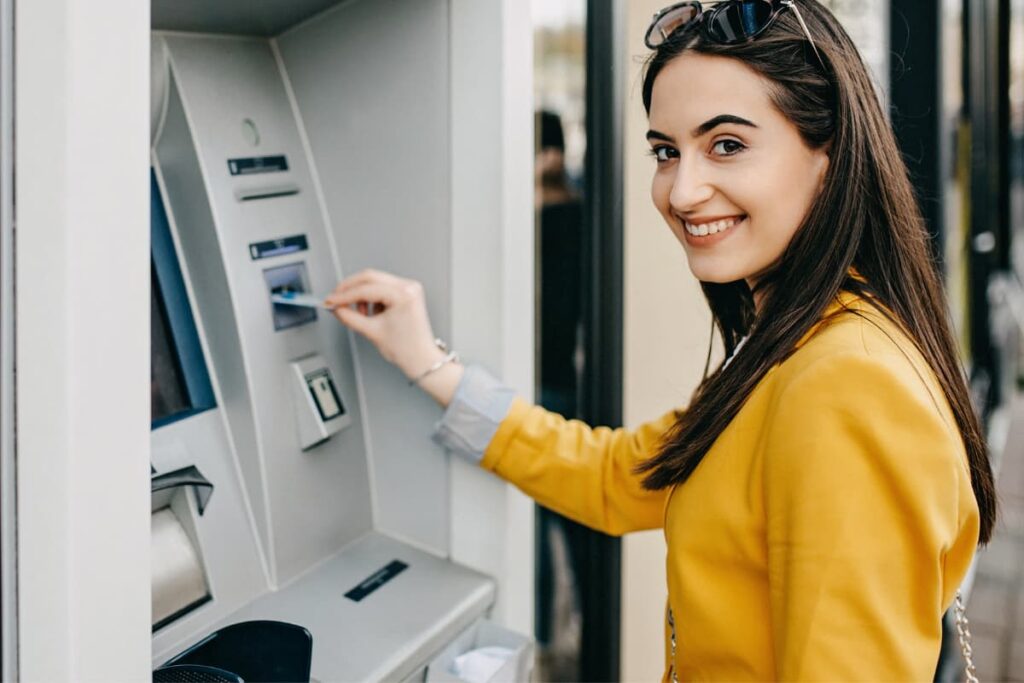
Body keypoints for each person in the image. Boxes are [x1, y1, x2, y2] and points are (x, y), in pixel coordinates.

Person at [325, 1, 996, 679]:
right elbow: (618, 477)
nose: (682, 190)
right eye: (666, 151)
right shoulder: (794, 341)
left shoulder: (845, 384)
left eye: (727, 144)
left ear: (830, 155)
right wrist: (427, 363)